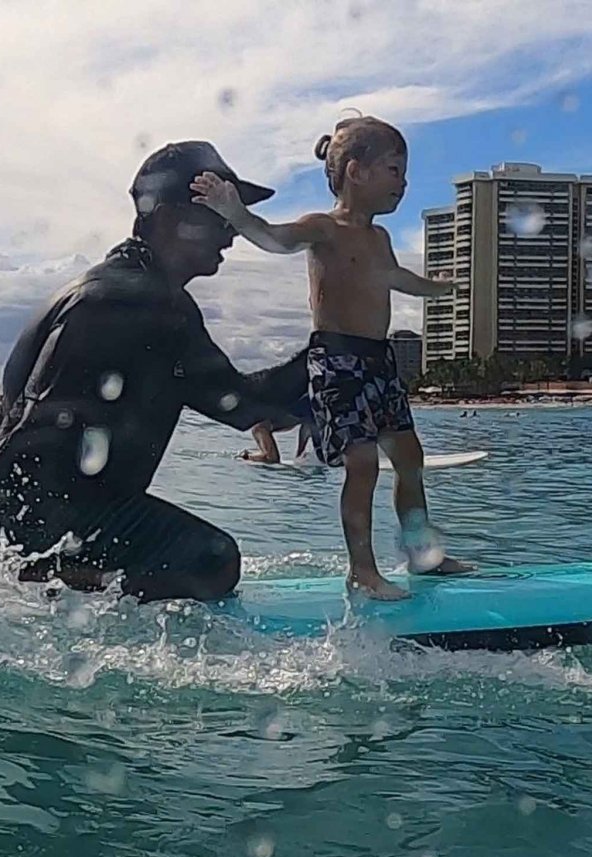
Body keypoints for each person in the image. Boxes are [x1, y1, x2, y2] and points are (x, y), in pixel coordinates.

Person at [0, 141, 307, 603]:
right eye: (221, 214)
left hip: (3, 509)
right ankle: (42, 581)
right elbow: (256, 409)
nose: (232, 232)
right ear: (168, 219)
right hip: (44, 519)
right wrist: (340, 349)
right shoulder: (146, 304)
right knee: (213, 561)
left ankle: (10, 574)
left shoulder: (99, 288)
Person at [191, 115, 471, 600]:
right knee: (361, 465)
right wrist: (235, 214)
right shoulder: (323, 228)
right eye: (394, 170)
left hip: (379, 361)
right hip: (337, 361)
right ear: (356, 172)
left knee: (410, 459)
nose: (402, 184)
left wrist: (437, 287)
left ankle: (423, 556)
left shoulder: (381, 239)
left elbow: (396, 280)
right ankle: (362, 571)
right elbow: (272, 237)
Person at [240, 396, 315, 464]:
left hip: (292, 411)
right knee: (258, 429)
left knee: (258, 429)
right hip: (298, 409)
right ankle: (248, 456)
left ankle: (248, 457)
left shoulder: (259, 428)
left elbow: (273, 460)